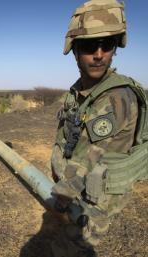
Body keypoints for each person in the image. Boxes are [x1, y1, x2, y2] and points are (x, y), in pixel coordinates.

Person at [50, 0, 148, 256]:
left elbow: (90, 155)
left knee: (70, 248)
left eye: (108, 44)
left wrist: (60, 195)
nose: (99, 53)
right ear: (74, 50)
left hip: (95, 200)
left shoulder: (115, 97)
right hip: (78, 190)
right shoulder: (80, 91)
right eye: (89, 45)